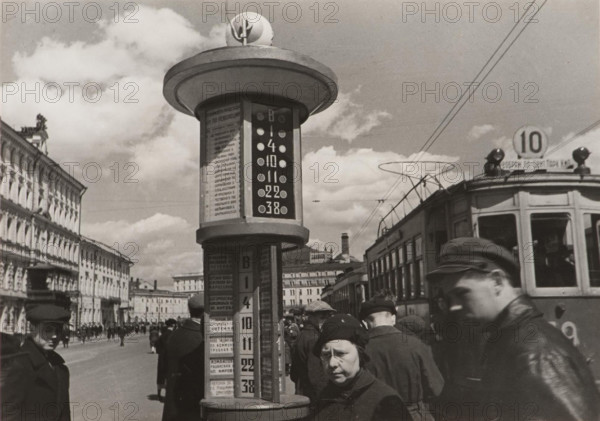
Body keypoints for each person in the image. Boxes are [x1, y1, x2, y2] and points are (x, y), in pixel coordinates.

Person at [426, 237, 600, 421]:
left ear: (496, 282)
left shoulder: (533, 353)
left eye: (462, 293)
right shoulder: (509, 340)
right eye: (449, 298)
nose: (453, 307)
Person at [311, 313, 411, 421]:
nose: (331, 363)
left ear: (360, 353)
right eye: (326, 355)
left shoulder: (386, 401)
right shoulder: (325, 396)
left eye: (340, 354)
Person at [360, 297, 444, 421]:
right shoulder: (416, 345)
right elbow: (436, 387)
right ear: (393, 319)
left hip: (378, 415)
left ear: (364, 323)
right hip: (414, 414)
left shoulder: (360, 351)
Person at [2, 299, 72, 421]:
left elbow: (65, 414)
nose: (54, 336)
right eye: (48, 330)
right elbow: (8, 414)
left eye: (58, 330)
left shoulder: (60, 368)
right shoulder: (20, 365)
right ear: (32, 328)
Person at [162, 295, 205, 421]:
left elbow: (165, 366)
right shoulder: (201, 337)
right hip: (192, 403)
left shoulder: (174, 335)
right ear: (204, 313)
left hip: (174, 401)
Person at [290, 300, 335, 405]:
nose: (326, 321)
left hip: (302, 391)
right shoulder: (314, 339)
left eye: (328, 317)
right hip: (314, 396)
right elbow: (317, 375)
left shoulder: (302, 335)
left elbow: (293, 374)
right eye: (322, 318)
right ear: (310, 318)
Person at [156, 318, 177, 400]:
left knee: (161, 375)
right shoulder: (173, 335)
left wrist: (161, 353)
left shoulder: (162, 335)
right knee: (170, 375)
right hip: (170, 358)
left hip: (162, 358)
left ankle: (159, 394)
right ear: (173, 325)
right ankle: (169, 395)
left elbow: (157, 346)